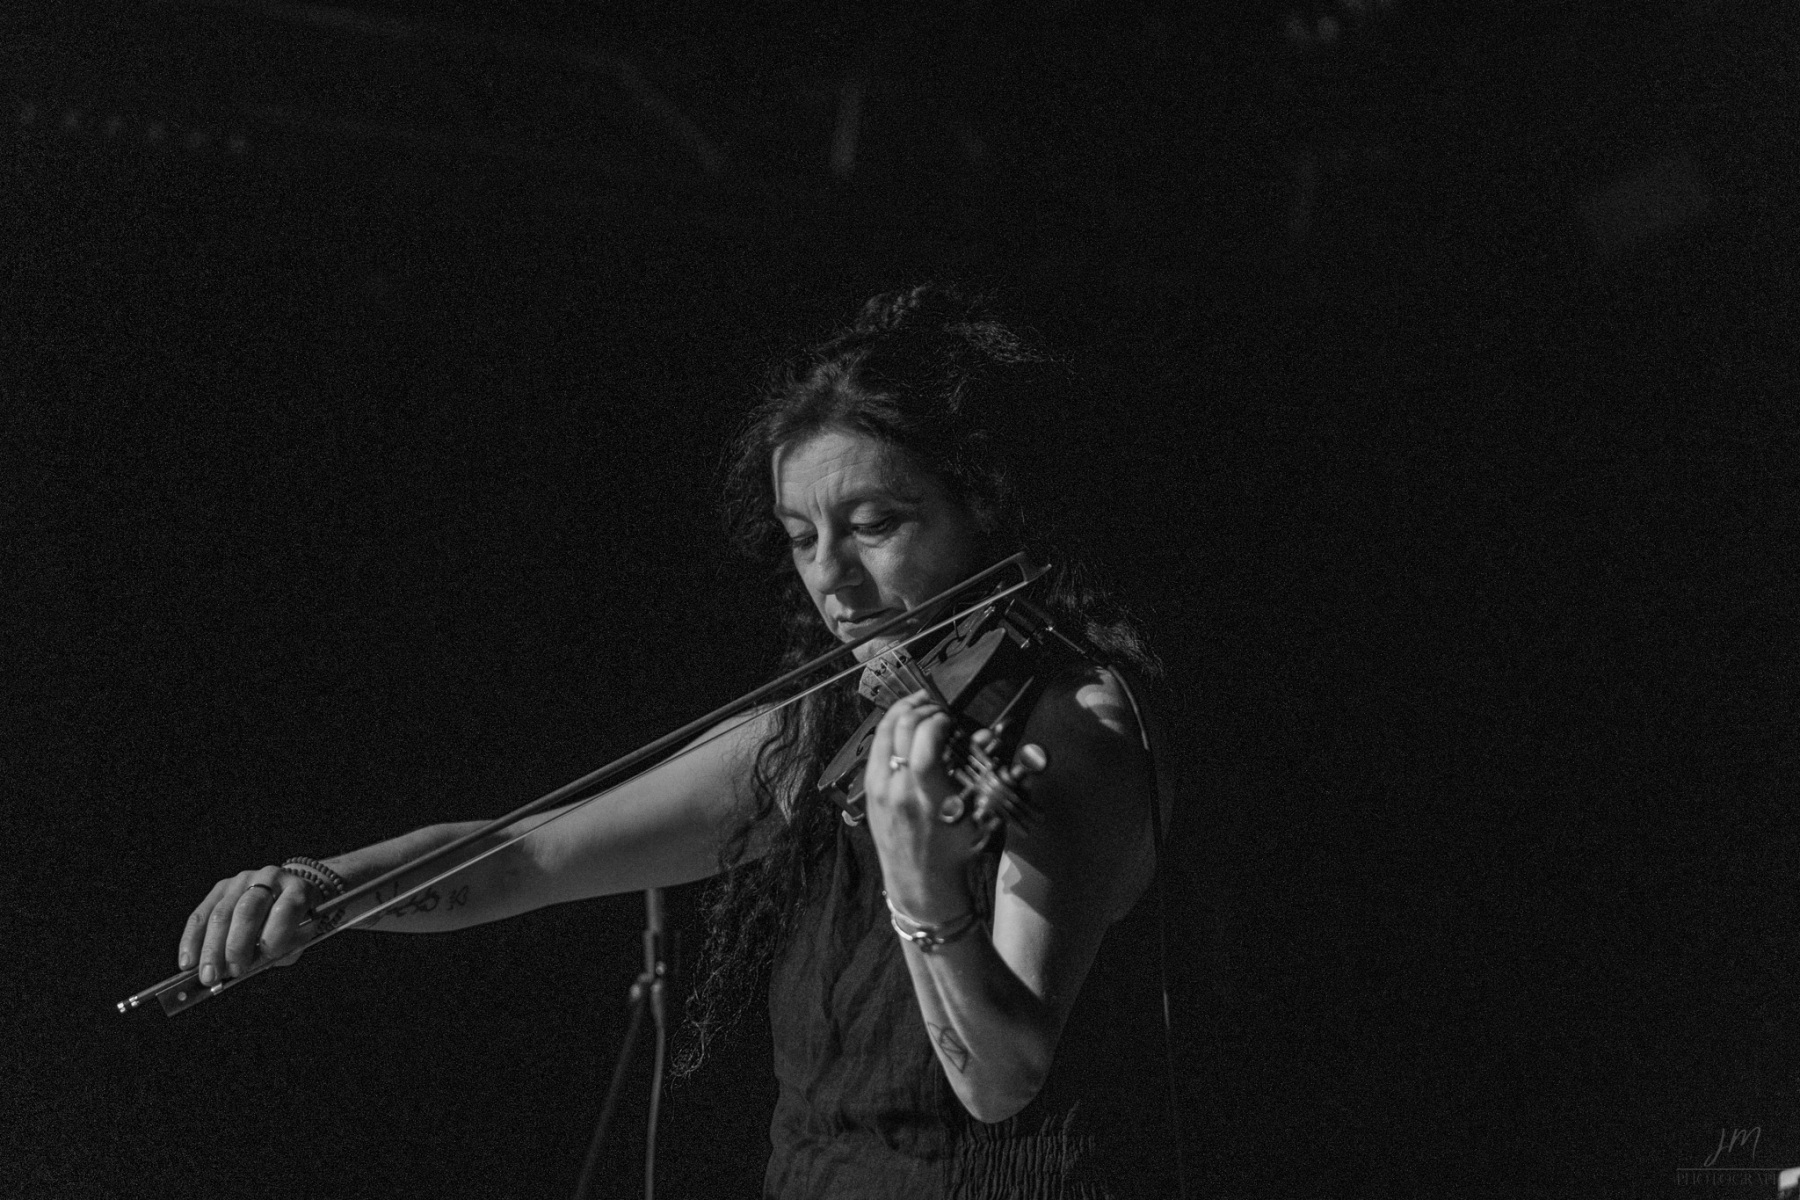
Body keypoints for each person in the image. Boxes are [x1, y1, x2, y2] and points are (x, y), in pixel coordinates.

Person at [177, 284, 1178, 1199]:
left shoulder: (1071, 725)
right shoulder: (829, 727)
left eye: (875, 525)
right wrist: (320, 888)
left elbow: (1000, 1081)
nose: (832, 579)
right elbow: (528, 855)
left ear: (984, 505)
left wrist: (922, 883)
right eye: (803, 538)